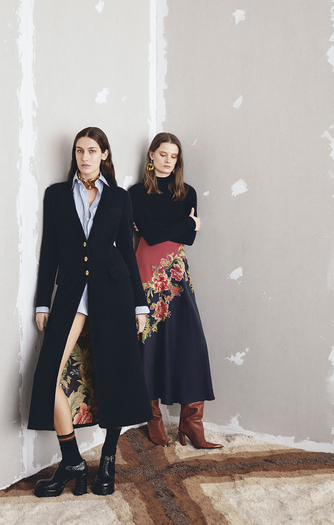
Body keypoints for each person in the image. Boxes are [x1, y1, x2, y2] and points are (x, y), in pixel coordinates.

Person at [28, 127, 152, 497]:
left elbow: (127, 254)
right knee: (48, 375)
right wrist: (43, 301)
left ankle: (108, 460)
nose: (84, 156)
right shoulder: (56, 195)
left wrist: (139, 302)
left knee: (115, 375)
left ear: (104, 155)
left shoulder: (117, 198)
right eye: (79, 151)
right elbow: (49, 250)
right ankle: (73, 461)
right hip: (71, 294)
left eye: (92, 150)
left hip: (112, 292)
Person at [128, 132, 222, 450]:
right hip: (146, 272)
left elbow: (187, 240)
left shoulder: (188, 192)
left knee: (190, 341)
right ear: (151, 156)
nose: (168, 160)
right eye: (163, 154)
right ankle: (152, 417)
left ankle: (192, 424)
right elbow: (152, 237)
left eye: (174, 156)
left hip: (177, 272)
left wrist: (175, 230)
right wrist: (187, 225)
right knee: (150, 343)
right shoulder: (136, 193)